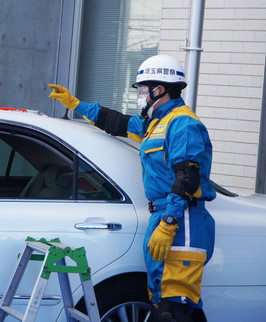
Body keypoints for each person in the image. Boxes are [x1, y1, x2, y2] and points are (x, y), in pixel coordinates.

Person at [48, 55, 215, 322]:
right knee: (165, 302)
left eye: (142, 89)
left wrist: (170, 222)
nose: (140, 94)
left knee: (174, 308)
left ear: (159, 89)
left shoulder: (182, 123)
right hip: (164, 217)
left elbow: (187, 177)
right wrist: (75, 104)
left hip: (183, 220)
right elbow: (116, 122)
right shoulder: (155, 123)